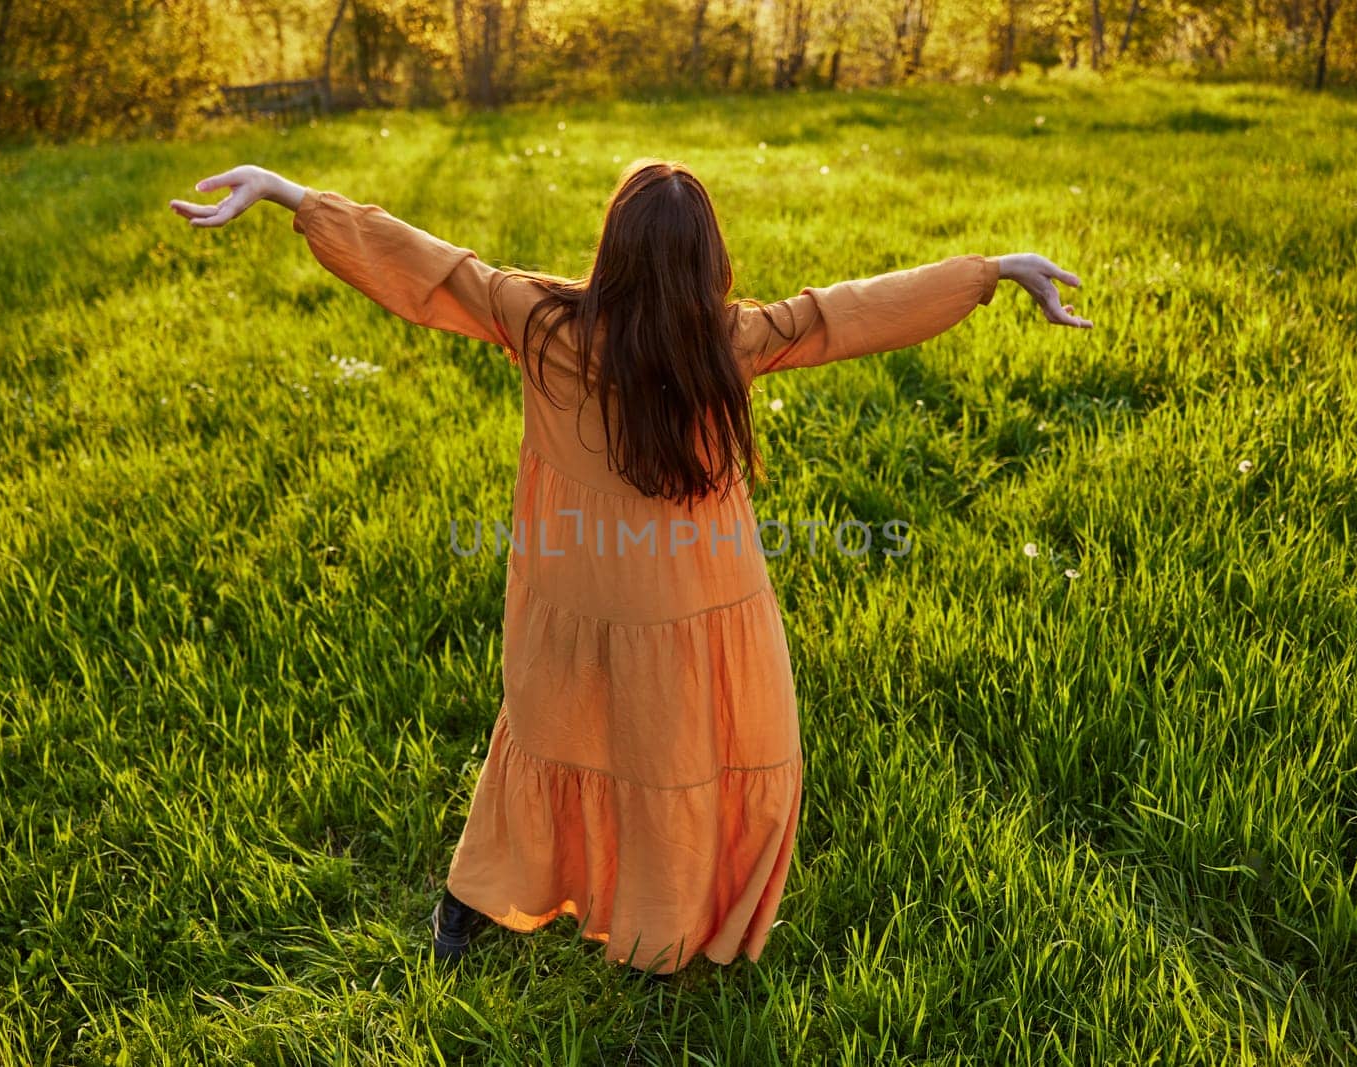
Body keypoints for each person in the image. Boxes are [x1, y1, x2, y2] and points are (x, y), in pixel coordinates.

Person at [169, 158, 1090, 981]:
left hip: (571, 586)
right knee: (685, 754)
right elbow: (845, 311)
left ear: (611, 249)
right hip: (696, 597)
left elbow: (432, 267)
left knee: (544, 736)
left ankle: (471, 904)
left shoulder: (541, 319)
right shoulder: (729, 340)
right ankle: (661, 930)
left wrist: (291, 194)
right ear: (707, 263)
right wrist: (991, 272)